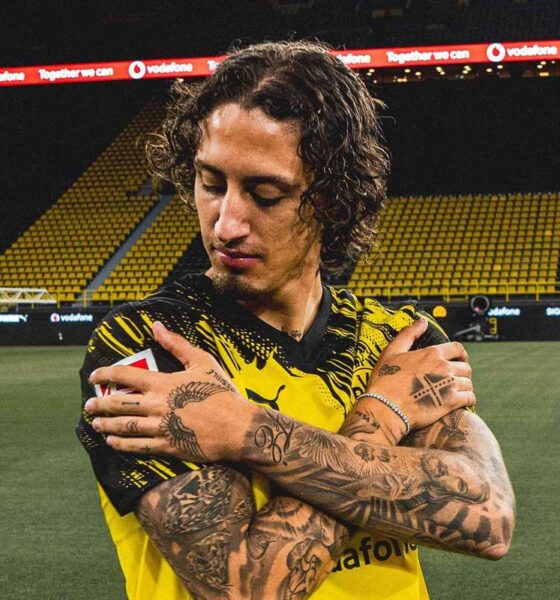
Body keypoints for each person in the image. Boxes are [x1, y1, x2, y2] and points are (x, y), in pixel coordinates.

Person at [77, 40, 515, 600]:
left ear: (334, 199)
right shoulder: (151, 345)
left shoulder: (400, 340)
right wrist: (381, 418)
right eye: (211, 184)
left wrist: (241, 430)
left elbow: (488, 519)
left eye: (265, 194)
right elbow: (249, 588)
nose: (226, 224)